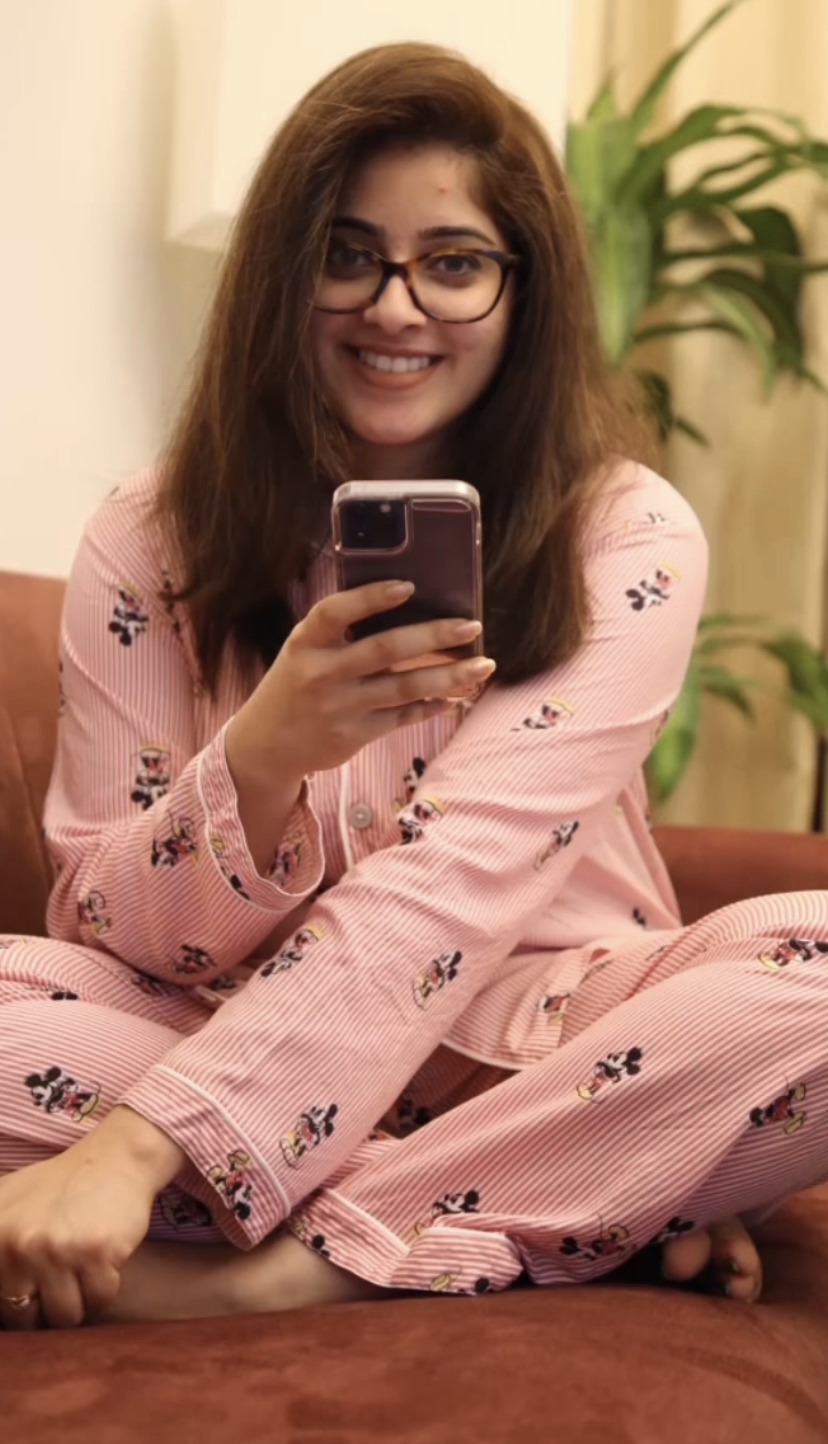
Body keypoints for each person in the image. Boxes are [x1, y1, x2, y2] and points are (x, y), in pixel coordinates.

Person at [0, 41, 824, 1331]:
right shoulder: (149, 537)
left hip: (548, 1029)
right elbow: (110, 932)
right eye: (347, 254)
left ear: (522, 290)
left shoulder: (624, 533)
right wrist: (262, 759)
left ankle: (289, 1269)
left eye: (453, 262)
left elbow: (454, 885)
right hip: (216, 1021)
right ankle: (581, 1188)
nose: (396, 307)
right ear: (282, 275)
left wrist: (132, 1150)